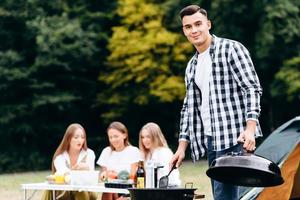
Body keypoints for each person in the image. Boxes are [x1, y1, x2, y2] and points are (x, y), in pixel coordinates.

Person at [170, 5, 263, 200]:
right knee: (223, 196)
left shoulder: (231, 49)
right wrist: (181, 148)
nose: (194, 30)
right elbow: (188, 109)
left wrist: (250, 129)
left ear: (208, 24)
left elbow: (251, 88)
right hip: (211, 140)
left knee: (224, 197)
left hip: (235, 138)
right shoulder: (192, 66)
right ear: (184, 31)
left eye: (198, 24)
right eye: (188, 27)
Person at [42, 123, 97, 200]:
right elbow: (63, 175)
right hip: (64, 190)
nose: (80, 140)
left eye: (82, 137)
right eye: (76, 137)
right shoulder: (59, 156)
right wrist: (75, 170)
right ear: (68, 139)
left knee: (81, 191)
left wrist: (87, 168)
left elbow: (92, 179)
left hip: (85, 190)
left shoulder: (89, 153)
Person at [97, 121, 140, 200]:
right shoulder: (106, 151)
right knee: (108, 190)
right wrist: (106, 176)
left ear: (124, 135)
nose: (113, 140)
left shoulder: (133, 151)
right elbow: (103, 178)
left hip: (127, 191)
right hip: (110, 191)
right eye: (111, 137)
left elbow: (133, 177)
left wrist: (115, 176)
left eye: (116, 136)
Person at [139, 122, 181, 187]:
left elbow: (166, 178)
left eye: (148, 137)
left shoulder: (164, 152)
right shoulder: (146, 155)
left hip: (168, 189)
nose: (145, 140)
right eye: (142, 137)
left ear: (155, 137)